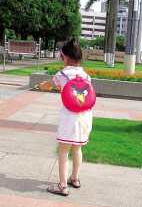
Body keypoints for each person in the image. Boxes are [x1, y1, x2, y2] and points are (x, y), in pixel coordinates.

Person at [39, 38, 93, 196]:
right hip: (84, 117)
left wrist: (42, 85)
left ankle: (62, 186)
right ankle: (74, 179)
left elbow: (49, 84)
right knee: (77, 148)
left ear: (65, 58)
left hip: (69, 117)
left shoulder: (61, 75)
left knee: (63, 150)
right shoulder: (86, 75)